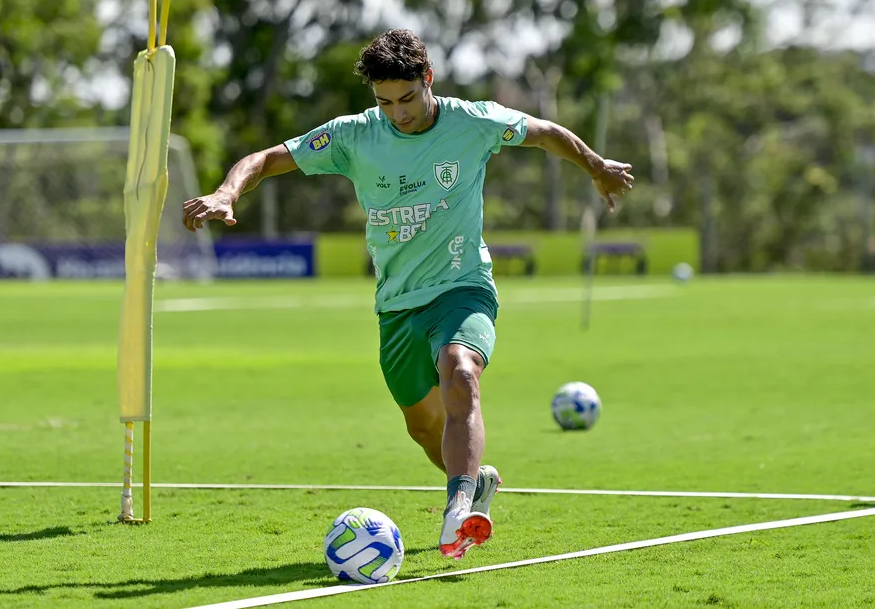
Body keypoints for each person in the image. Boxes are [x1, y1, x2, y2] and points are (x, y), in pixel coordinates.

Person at [182, 29, 633, 560]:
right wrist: (226, 191)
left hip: (463, 287)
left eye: (407, 98)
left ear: (428, 80)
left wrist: (596, 165)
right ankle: (474, 479)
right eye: (384, 101)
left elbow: (546, 132)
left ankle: (458, 510)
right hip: (396, 306)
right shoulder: (353, 135)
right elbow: (266, 159)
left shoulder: (474, 121)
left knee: (460, 371)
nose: (397, 113)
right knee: (423, 429)